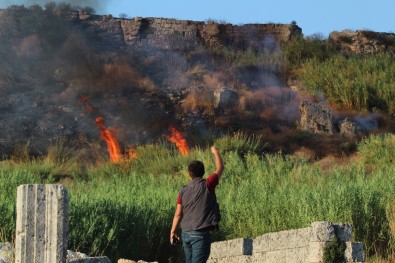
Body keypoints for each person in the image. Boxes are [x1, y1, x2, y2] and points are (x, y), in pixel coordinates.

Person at [170, 145, 224, 263]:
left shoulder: (183, 191)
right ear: (203, 172)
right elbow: (220, 168)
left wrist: (172, 231)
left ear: (190, 174)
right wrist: (215, 151)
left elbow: (178, 214)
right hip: (200, 234)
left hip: (185, 234)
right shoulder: (208, 184)